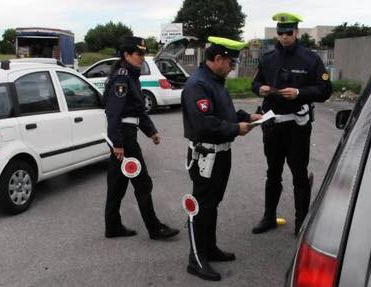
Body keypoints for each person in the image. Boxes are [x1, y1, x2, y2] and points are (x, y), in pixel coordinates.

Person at [182, 36, 262, 281]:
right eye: (230, 62)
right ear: (217, 59)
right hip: (205, 155)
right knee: (201, 207)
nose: (233, 67)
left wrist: (247, 116)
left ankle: (210, 248)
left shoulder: (215, 81)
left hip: (221, 153)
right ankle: (196, 258)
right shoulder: (198, 84)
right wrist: (235, 129)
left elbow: (224, 112)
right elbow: (204, 123)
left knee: (212, 205)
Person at [251, 13, 332, 236]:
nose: (284, 37)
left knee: (299, 174)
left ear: (296, 32)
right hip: (273, 124)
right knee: (273, 172)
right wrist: (260, 89)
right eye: (280, 33)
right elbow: (255, 83)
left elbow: (325, 90)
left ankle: (301, 224)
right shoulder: (268, 58)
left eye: (288, 33)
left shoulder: (310, 58)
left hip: (298, 125)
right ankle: (268, 217)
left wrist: (299, 92)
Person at [104, 36, 179, 240]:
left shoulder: (130, 75)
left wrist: (151, 131)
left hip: (126, 135)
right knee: (143, 184)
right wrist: (118, 144)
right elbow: (114, 112)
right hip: (124, 138)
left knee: (117, 184)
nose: (142, 58)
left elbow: (137, 109)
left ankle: (112, 226)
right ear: (126, 55)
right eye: (139, 54)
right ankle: (154, 228)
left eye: (144, 54)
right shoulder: (122, 77)